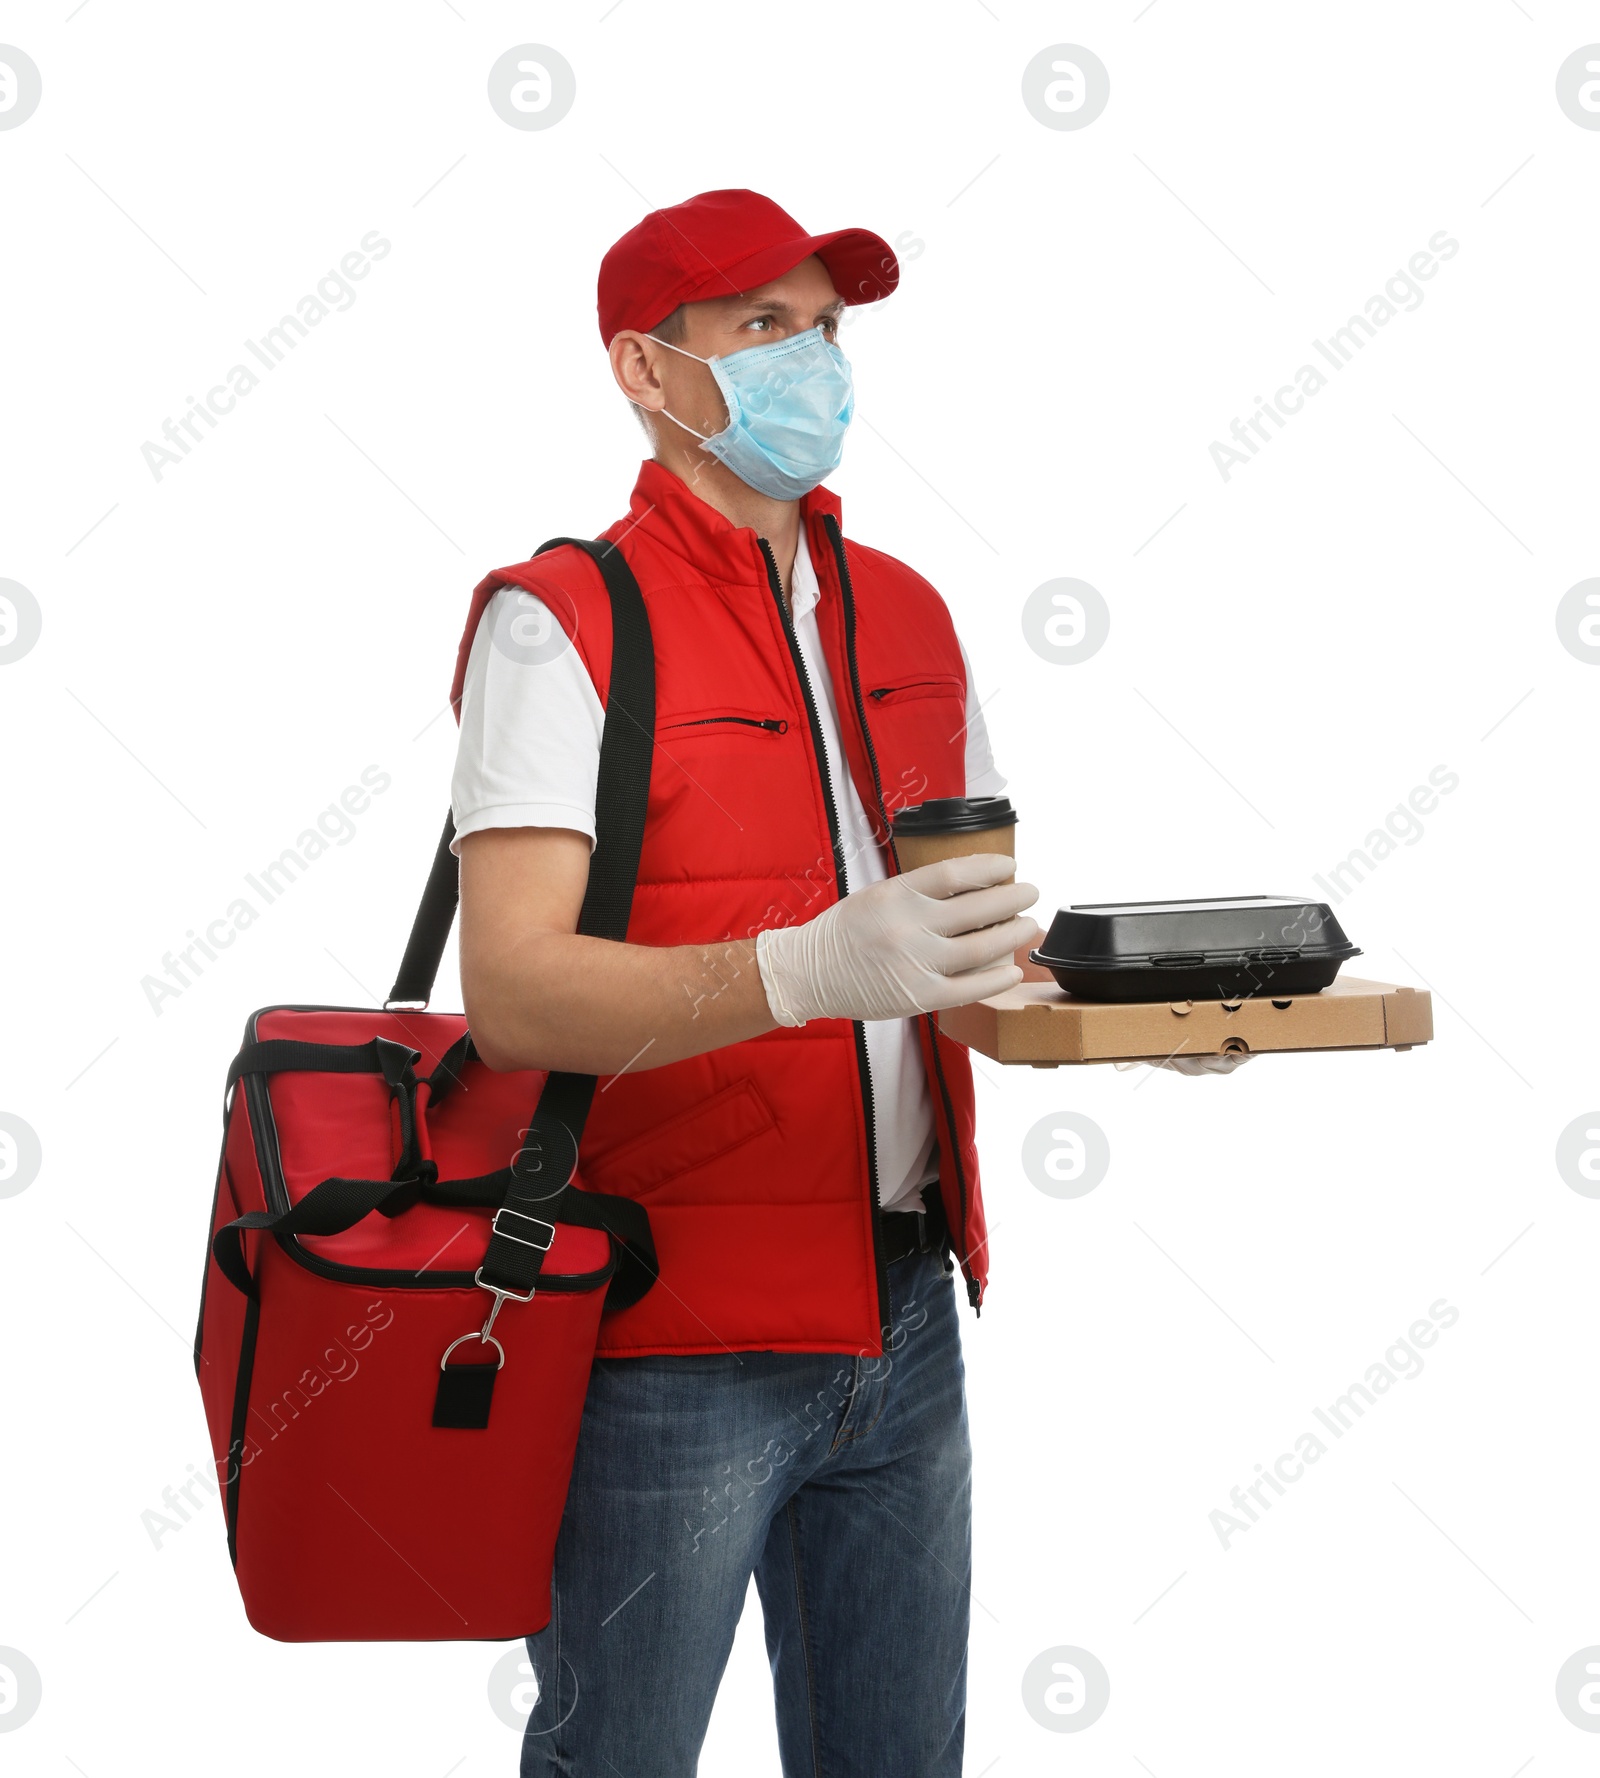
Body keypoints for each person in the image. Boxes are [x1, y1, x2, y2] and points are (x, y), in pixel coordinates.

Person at [449, 188, 1044, 1777]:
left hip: (907, 1319)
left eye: (827, 327)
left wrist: (1124, 1014)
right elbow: (510, 992)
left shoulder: (909, 614)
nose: (815, 363)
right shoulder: (557, 622)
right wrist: (802, 968)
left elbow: (960, 970)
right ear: (649, 371)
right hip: (666, 1337)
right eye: (763, 328)